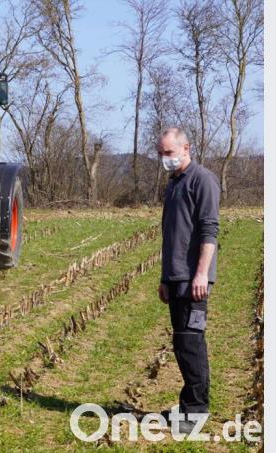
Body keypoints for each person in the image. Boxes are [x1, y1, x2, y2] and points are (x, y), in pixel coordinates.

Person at [156, 127, 220, 432]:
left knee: (191, 343)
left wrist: (202, 273)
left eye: (169, 153)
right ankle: (187, 406)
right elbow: (172, 235)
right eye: (161, 154)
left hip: (194, 279)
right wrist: (164, 278)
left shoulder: (202, 180)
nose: (164, 159)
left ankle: (196, 412)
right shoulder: (174, 183)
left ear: (186, 148)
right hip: (175, 277)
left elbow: (209, 230)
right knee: (182, 344)